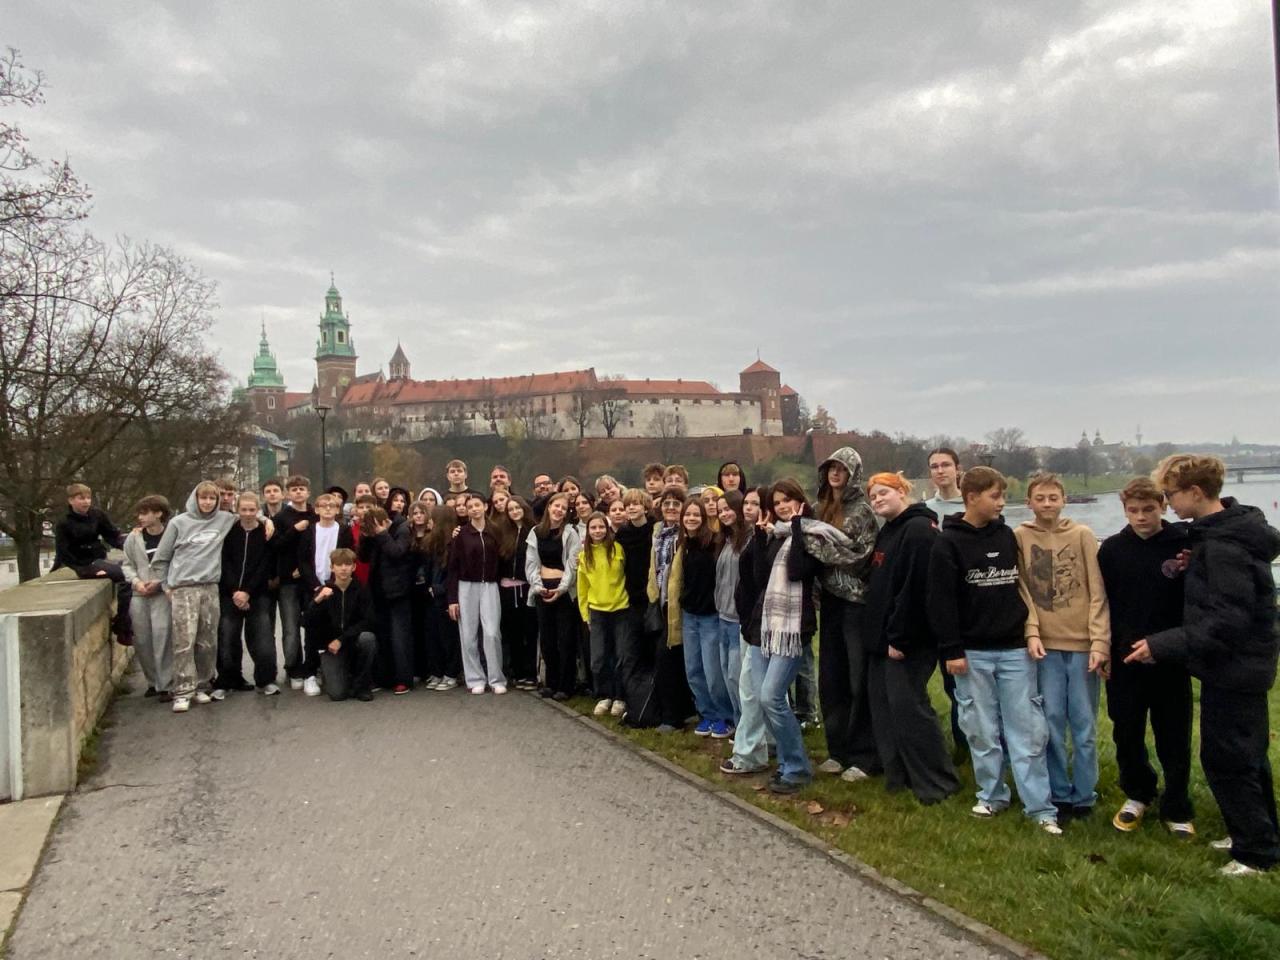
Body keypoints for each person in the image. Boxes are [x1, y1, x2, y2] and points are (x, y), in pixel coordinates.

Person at [1128, 455, 1280, 875]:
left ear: (1195, 492)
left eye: (1171, 494)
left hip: (1235, 667)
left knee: (1229, 758)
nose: (1169, 502)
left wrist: (1161, 644)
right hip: (1239, 666)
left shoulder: (1224, 546)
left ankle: (1255, 854)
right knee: (1249, 756)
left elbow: (1227, 620)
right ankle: (1257, 832)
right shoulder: (1223, 535)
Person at [927, 466, 1060, 835]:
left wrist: (1029, 632)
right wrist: (951, 650)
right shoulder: (947, 543)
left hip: (1014, 648)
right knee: (981, 728)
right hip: (972, 652)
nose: (1002, 503)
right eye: (995, 496)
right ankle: (991, 794)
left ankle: (1040, 807)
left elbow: (1022, 587)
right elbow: (940, 601)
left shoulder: (1005, 535)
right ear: (972, 498)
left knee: (1027, 729)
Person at [1098, 478, 1194, 836]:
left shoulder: (1184, 543)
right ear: (1124, 511)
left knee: (1174, 734)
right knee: (1127, 731)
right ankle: (1138, 793)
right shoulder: (1111, 550)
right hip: (1125, 658)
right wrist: (1104, 647)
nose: (1141, 517)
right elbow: (1103, 603)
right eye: (1133, 510)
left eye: (1148, 509)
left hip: (1171, 656)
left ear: (1163, 507)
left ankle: (1177, 804)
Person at [1015, 473, 1111, 821]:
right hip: (1046, 647)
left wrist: (1099, 640)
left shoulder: (1082, 535)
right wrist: (1032, 632)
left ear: (1064, 500)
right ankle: (1059, 791)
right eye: (1040, 498)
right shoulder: (1020, 537)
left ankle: (1085, 794)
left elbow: (1097, 591)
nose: (1047, 504)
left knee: (1084, 724)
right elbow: (1023, 591)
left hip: (1083, 645)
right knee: (1051, 722)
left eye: (1053, 497)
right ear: (1029, 502)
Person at [862, 473, 958, 805]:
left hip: (907, 640)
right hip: (880, 638)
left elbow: (915, 589)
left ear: (902, 491)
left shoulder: (919, 530)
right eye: (873, 496)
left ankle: (937, 782)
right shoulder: (889, 530)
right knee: (885, 709)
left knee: (910, 709)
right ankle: (899, 776)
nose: (877, 499)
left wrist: (900, 638)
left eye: (884, 492)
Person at [754, 479, 834, 794]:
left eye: (787, 500)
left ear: (800, 500)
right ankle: (788, 763)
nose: (782, 507)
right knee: (764, 697)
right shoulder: (777, 535)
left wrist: (798, 526)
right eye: (777, 503)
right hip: (771, 627)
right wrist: (760, 538)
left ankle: (798, 768)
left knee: (771, 697)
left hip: (794, 627)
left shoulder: (811, 534)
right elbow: (760, 576)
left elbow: (799, 571)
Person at [806, 447, 880, 782]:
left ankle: (865, 755)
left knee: (857, 678)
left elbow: (859, 556)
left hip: (856, 602)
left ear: (853, 474)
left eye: (842, 469)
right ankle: (838, 750)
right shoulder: (820, 507)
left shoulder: (862, 511)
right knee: (831, 678)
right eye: (831, 468)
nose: (835, 473)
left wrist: (817, 547)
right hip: (830, 602)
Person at [150, 482, 241, 713]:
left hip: (210, 586)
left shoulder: (224, 519)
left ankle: (203, 684)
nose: (208, 502)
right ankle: (183, 690)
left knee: (207, 641)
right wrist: (166, 586)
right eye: (204, 498)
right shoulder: (178, 523)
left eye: (212, 498)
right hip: (183, 587)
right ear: (196, 499)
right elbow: (160, 559)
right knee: (184, 641)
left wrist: (266, 521)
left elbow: (249, 517)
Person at [720, 486, 772, 775]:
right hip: (748, 620)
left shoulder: (765, 537)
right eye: (747, 503)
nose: (749, 508)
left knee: (751, 689)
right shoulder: (751, 537)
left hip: (761, 623)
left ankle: (748, 753)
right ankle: (769, 741)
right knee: (759, 688)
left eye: (756, 503)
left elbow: (761, 578)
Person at [678, 498, 736, 739]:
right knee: (693, 669)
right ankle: (707, 714)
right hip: (689, 615)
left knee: (713, 673)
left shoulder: (714, 543)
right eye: (687, 514)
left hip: (710, 616)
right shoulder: (683, 544)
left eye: (696, 515)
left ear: (703, 518)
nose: (691, 519)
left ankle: (725, 716)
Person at [923, 446, 968, 758]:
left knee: (964, 684)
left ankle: (969, 745)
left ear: (957, 468)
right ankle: (949, 746)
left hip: (966, 601)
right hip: (933, 601)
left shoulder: (971, 505)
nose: (940, 471)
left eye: (946, 465)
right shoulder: (925, 510)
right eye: (935, 466)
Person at [53, 482, 131, 643]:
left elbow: (112, 536)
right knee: (127, 576)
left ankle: (123, 619)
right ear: (71, 500)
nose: (86, 502)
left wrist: (131, 548)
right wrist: (83, 569)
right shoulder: (64, 523)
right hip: (85, 564)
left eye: (88, 498)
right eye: (81, 498)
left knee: (131, 572)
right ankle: (122, 625)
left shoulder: (97, 515)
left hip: (99, 559)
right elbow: (63, 552)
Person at [216, 491, 277, 695]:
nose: (248, 513)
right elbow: (224, 562)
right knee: (227, 637)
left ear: (258, 510)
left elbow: (265, 564)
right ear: (237, 509)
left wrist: (248, 592)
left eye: (252, 509)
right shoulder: (229, 530)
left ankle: (265, 680)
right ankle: (228, 680)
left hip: (258, 593)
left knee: (263, 638)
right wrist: (235, 591)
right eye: (244, 509)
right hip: (230, 592)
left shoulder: (265, 532)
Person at [646, 486, 696, 731]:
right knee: (666, 658)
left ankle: (674, 716)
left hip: (680, 604)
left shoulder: (686, 534)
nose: (671, 508)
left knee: (674, 659)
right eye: (667, 503)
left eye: (676, 503)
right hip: (661, 603)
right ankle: (676, 712)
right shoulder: (658, 533)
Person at [448, 493, 506, 695]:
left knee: (492, 633)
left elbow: (503, 559)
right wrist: (452, 599)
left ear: (485, 506)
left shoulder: (495, 531)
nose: (474, 509)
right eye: (470, 506)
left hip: (489, 586)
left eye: (477, 505)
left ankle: (496, 678)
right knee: (468, 634)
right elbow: (453, 567)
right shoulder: (461, 534)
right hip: (466, 587)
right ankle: (475, 678)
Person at [527, 492, 582, 700]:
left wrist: (562, 588)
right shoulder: (535, 532)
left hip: (564, 591)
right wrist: (538, 586)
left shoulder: (570, 533)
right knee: (547, 640)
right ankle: (551, 682)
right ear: (549, 507)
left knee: (565, 639)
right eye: (556, 505)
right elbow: (531, 563)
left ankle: (566, 686)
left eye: (563, 508)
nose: (559, 510)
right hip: (542, 589)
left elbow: (572, 563)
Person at [305, 548, 377, 702]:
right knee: (337, 694)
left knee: (368, 638)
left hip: (352, 641)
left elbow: (369, 621)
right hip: (331, 647)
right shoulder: (324, 591)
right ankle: (340, 675)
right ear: (332, 568)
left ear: (354, 567)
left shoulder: (362, 589)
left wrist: (342, 639)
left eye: (347, 564)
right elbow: (307, 622)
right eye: (339, 565)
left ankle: (362, 686)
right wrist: (317, 601)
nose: (343, 568)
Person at [577, 511, 631, 717]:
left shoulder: (617, 549)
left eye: (601, 527)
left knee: (620, 655)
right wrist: (586, 615)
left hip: (620, 609)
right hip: (597, 611)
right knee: (598, 658)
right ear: (588, 531)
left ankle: (619, 697)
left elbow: (626, 574)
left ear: (607, 529)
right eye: (593, 528)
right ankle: (605, 695)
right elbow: (582, 588)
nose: (598, 531)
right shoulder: (584, 556)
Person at [121, 495, 174, 700]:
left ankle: (166, 684)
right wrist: (136, 582)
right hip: (139, 593)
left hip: (161, 593)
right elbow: (127, 564)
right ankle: (152, 681)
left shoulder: (170, 535)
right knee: (142, 639)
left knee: (162, 636)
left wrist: (160, 582)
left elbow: (176, 563)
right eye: (139, 514)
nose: (140, 518)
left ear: (159, 513)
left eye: (145, 513)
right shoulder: (134, 538)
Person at [359, 505, 415, 694]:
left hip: (399, 591)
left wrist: (382, 534)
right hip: (378, 591)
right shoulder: (373, 535)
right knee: (382, 636)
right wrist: (366, 538)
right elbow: (363, 558)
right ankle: (384, 677)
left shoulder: (402, 529)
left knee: (400, 637)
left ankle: (403, 679)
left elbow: (397, 552)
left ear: (384, 522)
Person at [273, 475, 317, 692]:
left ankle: (312, 667)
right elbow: (276, 546)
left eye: (302, 488)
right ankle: (293, 668)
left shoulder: (315, 514)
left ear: (308, 492)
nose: (298, 492)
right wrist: (294, 530)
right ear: (287, 493)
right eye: (294, 489)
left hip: (310, 579)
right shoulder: (281, 517)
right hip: (288, 580)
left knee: (312, 625)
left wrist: (306, 568)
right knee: (290, 628)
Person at [714, 491, 748, 726]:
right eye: (720, 511)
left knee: (738, 677)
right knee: (727, 675)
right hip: (722, 616)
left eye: (728, 509)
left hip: (738, 619)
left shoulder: (748, 540)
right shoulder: (725, 541)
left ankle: (747, 726)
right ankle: (738, 724)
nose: (724, 514)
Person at [499, 496, 538, 689]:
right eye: (511, 509)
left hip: (526, 589)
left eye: (517, 508)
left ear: (524, 508)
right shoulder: (504, 533)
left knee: (529, 632)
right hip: (507, 590)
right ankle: (518, 672)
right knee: (512, 633)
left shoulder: (534, 531)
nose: (514, 512)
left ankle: (531, 673)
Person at [423, 505, 461, 691]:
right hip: (431, 597)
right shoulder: (431, 542)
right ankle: (437, 671)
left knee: (448, 637)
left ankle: (451, 673)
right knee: (433, 636)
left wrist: (439, 588)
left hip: (446, 596)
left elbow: (455, 572)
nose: (428, 522)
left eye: (431, 518)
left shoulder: (453, 544)